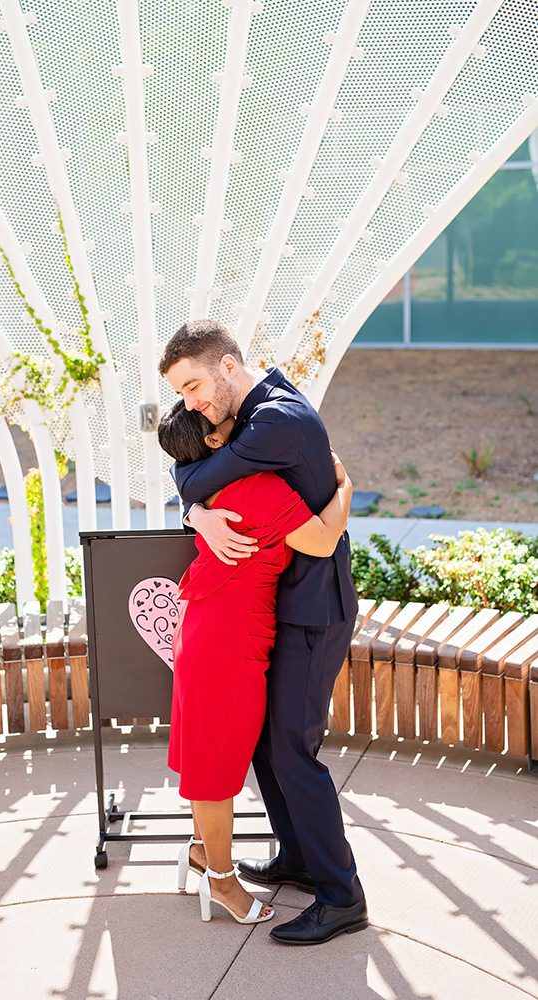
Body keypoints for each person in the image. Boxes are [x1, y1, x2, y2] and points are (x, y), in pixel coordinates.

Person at [158, 319, 368, 946]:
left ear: (227, 365)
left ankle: (341, 893)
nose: (192, 402)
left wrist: (196, 497)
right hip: (274, 609)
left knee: (291, 753)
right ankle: (299, 856)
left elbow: (197, 472)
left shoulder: (273, 421)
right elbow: (192, 472)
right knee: (261, 745)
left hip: (311, 610)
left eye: (194, 386)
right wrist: (196, 510)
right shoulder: (247, 418)